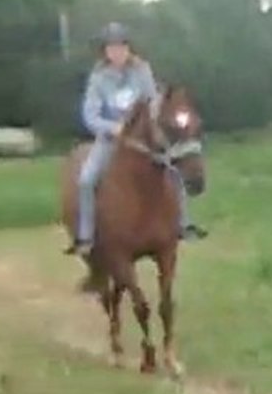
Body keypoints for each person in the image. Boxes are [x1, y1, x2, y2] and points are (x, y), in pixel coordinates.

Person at [65, 22, 207, 257]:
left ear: (129, 49)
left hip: (145, 139)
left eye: (121, 47)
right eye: (112, 48)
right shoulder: (98, 79)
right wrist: (114, 127)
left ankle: (183, 224)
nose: (117, 53)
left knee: (173, 169)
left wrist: (156, 125)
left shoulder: (142, 71)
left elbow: (153, 102)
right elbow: (90, 115)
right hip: (111, 140)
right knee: (86, 179)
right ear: (105, 52)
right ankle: (86, 236)